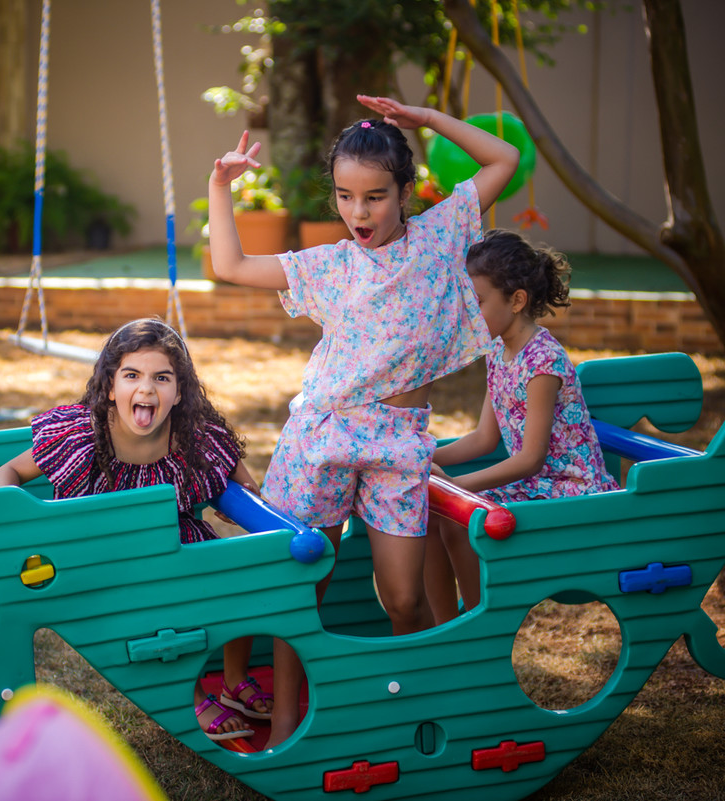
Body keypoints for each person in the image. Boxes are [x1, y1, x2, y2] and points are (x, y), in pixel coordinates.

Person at [208, 94, 520, 746]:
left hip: (398, 444)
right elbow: (229, 265)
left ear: (405, 191)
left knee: (404, 598)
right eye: (345, 197)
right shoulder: (329, 265)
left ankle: (420, 710)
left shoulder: (442, 235)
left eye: (375, 196)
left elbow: (507, 157)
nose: (358, 213)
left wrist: (425, 119)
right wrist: (220, 184)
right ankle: (291, 722)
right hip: (321, 437)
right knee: (305, 589)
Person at [0, 318, 272, 743]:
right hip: (108, 554)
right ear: (109, 387)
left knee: (239, 574)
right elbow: (10, 469)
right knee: (159, 597)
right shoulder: (83, 434)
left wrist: (240, 505)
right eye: (131, 375)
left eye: (162, 378)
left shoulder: (194, 437)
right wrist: (15, 511)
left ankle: (233, 680)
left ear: (179, 393)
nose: (146, 389)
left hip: (178, 542)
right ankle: (191, 694)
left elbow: (244, 487)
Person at [424, 230, 619, 624]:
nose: (467, 312)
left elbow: (530, 459)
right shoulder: (499, 350)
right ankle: (445, 630)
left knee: (461, 518)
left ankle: (479, 625)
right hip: (537, 485)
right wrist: (422, 456)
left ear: (516, 301)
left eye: (476, 302)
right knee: (438, 514)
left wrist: (457, 489)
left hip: (571, 492)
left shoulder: (543, 361)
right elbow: (484, 438)